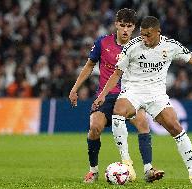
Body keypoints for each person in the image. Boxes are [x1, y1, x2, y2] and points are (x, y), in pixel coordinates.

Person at [93, 16, 192, 186]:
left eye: (148, 35)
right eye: (142, 34)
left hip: (157, 95)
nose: (144, 38)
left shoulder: (171, 46)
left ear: (158, 32)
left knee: (176, 128)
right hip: (133, 91)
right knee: (118, 113)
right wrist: (102, 95)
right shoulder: (132, 46)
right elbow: (117, 74)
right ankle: (127, 161)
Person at [69, 10, 164, 183]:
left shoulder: (141, 47)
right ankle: (93, 171)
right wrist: (75, 88)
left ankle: (149, 169)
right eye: (122, 25)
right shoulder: (102, 42)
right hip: (106, 96)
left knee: (142, 122)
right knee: (95, 127)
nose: (126, 30)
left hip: (130, 96)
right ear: (116, 25)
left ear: (134, 27)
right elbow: (89, 66)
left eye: (129, 26)